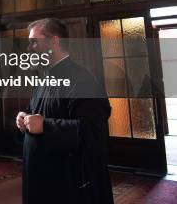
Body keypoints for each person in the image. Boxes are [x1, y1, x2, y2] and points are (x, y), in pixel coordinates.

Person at [16, 18, 113, 204]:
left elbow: (93, 130)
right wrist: (24, 117)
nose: (29, 48)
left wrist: (45, 125)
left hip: (67, 182)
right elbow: (39, 111)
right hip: (39, 177)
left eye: (34, 41)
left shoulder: (82, 79)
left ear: (54, 41)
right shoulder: (43, 77)